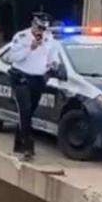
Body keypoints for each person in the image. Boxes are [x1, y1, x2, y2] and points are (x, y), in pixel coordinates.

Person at [6, 12, 60, 161]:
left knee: (30, 112)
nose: (40, 32)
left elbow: (52, 56)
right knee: (25, 109)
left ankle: (19, 142)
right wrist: (30, 47)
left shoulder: (49, 39)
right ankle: (27, 147)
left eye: (43, 29)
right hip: (21, 77)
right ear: (33, 24)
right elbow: (12, 57)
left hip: (38, 78)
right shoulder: (21, 37)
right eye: (39, 28)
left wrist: (53, 64)